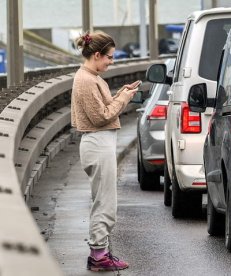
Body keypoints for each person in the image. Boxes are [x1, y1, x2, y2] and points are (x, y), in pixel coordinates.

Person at [71, 30, 140, 272]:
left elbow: (104, 106)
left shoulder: (92, 77)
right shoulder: (87, 81)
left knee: (104, 200)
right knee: (104, 202)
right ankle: (98, 255)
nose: (111, 62)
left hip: (99, 143)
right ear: (97, 55)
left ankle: (100, 252)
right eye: (109, 57)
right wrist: (124, 100)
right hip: (97, 143)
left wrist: (122, 93)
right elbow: (101, 117)